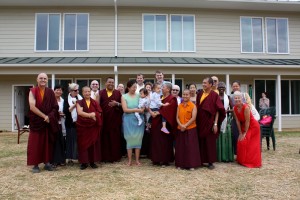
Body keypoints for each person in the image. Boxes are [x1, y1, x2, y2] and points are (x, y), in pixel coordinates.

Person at [27, 73, 59, 173]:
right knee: (35, 143)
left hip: (48, 122)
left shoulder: (50, 92)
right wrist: (44, 116)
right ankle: (35, 164)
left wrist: (49, 116)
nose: (43, 80)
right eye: (41, 78)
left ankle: (47, 163)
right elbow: (32, 107)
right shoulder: (33, 91)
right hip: (37, 122)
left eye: (45, 78)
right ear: (37, 79)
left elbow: (55, 107)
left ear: (47, 80)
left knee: (47, 143)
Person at [196, 77, 225, 169]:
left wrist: (215, 124)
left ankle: (210, 162)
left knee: (210, 142)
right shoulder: (200, 94)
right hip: (200, 121)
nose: (203, 84)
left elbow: (218, 110)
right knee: (201, 142)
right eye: (203, 83)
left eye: (205, 83)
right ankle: (201, 160)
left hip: (210, 122)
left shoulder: (214, 95)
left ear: (210, 85)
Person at [149, 82, 177, 166]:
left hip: (165, 123)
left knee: (164, 142)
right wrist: (151, 112)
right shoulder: (160, 97)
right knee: (156, 141)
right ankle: (156, 159)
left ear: (168, 89)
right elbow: (151, 104)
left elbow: (170, 109)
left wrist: (158, 112)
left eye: (163, 87)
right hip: (156, 121)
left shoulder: (172, 98)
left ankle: (165, 160)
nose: (161, 88)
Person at [76, 86, 103, 170]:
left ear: (90, 92)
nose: (87, 93)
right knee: (83, 145)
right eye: (85, 92)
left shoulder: (94, 102)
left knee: (93, 144)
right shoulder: (79, 102)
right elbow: (80, 113)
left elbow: (99, 113)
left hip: (93, 127)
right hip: (83, 127)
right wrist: (91, 115)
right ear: (82, 93)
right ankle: (84, 163)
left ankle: (92, 162)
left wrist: (95, 114)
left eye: (88, 91)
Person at [233, 91, 262, 168]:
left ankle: (251, 161)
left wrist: (245, 132)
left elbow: (247, 121)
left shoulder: (246, 107)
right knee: (240, 140)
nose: (237, 99)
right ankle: (242, 160)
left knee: (246, 141)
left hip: (253, 126)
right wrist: (240, 132)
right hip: (244, 126)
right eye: (235, 98)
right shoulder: (234, 108)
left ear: (242, 99)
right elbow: (237, 121)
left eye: (239, 98)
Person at [98, 77, 123, 162]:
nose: (111, 84)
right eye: (109, 82)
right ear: (106, 83)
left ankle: (115, 157)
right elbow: (98, 106)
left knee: (115, 138)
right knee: (104, 139)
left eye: (112, 82)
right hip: (104, 120)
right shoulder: (101, 93)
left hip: (115, 120)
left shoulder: (117, 93)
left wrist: (117, 104)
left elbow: (122, 105)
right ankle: (105, 157)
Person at [175, 89, 201, 170]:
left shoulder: (193, 106)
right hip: (180, 129)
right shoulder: (179, 106)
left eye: (187, 95)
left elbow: (193, 118)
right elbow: (177, 117)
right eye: (184, 94)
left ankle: (191, 165)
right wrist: (181, 125)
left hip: (190, 129)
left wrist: (185, 126)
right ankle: (180, 164)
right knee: (180, 147)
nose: (185, 96)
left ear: (190, 95)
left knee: (190, 147)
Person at [121, 80, 145, 166]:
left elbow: (143, 106)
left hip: (139, 120)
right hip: (128, 120)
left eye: (136, 87)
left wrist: (142, 109)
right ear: (128, 87)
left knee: (138, 139)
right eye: (133, 87)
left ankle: (137, 160)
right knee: (129, 139)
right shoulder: (124, 96)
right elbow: (125, 110)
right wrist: (136, 110)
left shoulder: (139, 95)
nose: (135, 89)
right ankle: (130, 160)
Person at [230, 80, 251, 155]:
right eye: (234, 86)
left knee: (246, 135)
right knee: (236, 133)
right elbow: (232, 108)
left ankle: (246, 152)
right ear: (232, 87)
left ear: (239, 87)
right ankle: (237, 152)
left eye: (237, 86)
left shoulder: (245, 95)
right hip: (236, 117)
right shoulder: (231, 97)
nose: (235, 87)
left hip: (246, 117)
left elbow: (249, 105)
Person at [64, 83, 82, 166]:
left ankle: (77, 157)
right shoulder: (66, 99)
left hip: (79, 123)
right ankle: (70, 158)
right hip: (70, 123)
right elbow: (66, 111)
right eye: (75, 90)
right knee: (70, 141)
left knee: (77, 141)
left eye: (78, 90)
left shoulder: (80, 97)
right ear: (70, 91)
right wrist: (75, 104)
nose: (77, 91)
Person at [216, 82, 234, 162]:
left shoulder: (228, 97)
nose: (221, 88)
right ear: (217, 88)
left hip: (225, 119)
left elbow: (233, 108)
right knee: (217, 137)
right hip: (217, 119)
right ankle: (218, 157)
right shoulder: (215, 97)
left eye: (223, 87)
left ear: (225, 88)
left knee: (225, 137)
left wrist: (226, 111)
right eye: (220, 87)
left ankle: (225, 157)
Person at [51, 85, 66, 168]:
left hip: (61, 123)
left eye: (60, 90)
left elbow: (66, 111)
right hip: (53, 124)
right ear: (54, 91)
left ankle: (60, 160)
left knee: (61, 142)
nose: (59, 92)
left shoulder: (63, 101)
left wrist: (63, 114)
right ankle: (54, 161)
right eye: (57, 90)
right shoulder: (51, 100)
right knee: (54, 142)